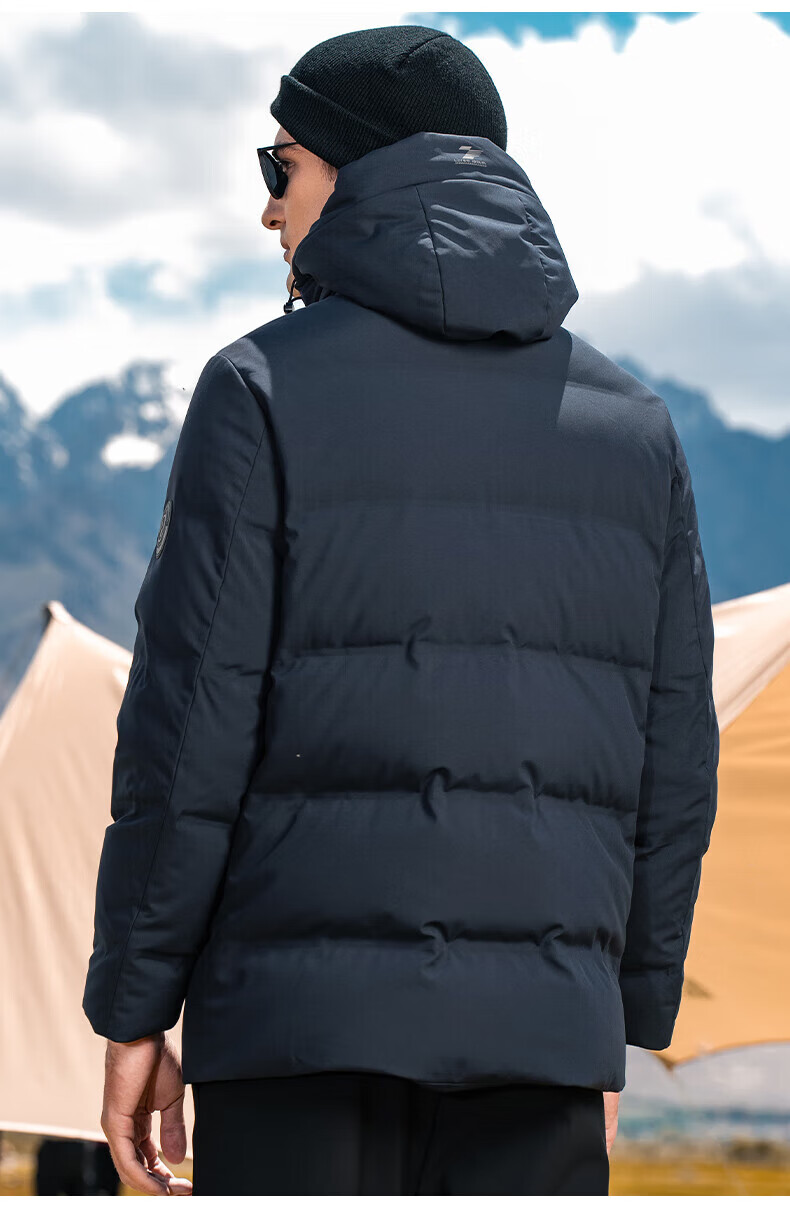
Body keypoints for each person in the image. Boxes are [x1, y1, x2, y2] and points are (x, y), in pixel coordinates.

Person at [82, 24, 719, 1196]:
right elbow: (673, 754)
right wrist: (611, 1020)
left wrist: (135, 1002)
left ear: (357, 168)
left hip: (293, 1044)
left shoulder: (259, 389)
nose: (267, 208)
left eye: (280, 165)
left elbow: (189, 728)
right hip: (542, 1052)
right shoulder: (634, 428)